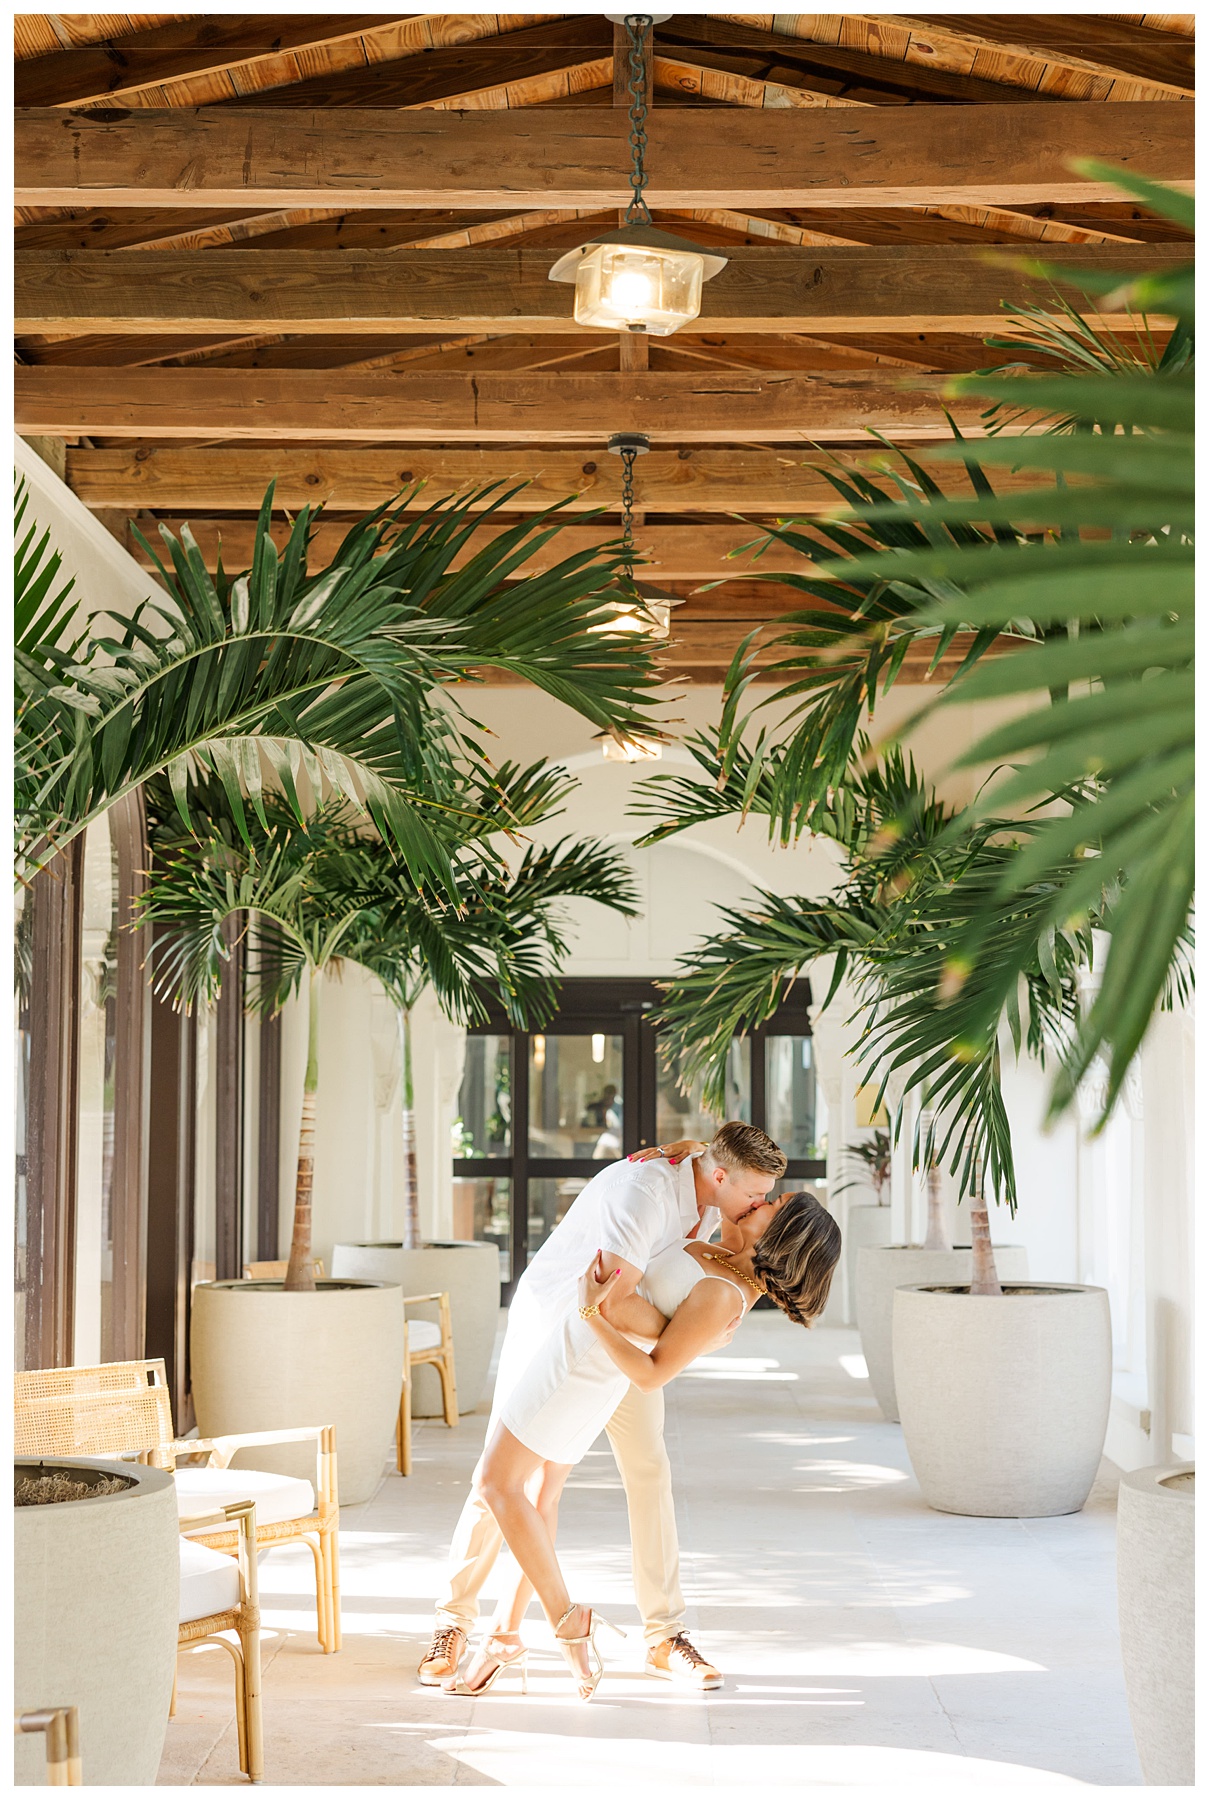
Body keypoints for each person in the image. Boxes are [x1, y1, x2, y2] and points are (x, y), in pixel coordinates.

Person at [417, 1122, 788, 1694]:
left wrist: (685, 1336)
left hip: (624, 1350)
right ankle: (455, 1620)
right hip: (559, 1333)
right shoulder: (645, 1193)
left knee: (644, 1472)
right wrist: (690, 1335)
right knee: (500, 1481)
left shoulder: (719, 1201)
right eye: (756, 1195)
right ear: (720, 1176)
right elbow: (612, 1299)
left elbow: (704, 1159)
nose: (762, 1205)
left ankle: (662, 1637)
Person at [467, 1186, 840, 1700]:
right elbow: (714, 1186)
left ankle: (586, 1623)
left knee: (501, 1482)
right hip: (582, 1350)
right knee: (538, 1493)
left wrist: (595, 1314)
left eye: (775, 1204)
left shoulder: (726, 1291)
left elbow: (654, 1369)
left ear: (783, 1234)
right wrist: (684, 1155)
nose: (764, 1199)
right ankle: (505, 1635)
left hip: (587, 1364)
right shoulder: (721, 1247)